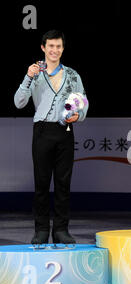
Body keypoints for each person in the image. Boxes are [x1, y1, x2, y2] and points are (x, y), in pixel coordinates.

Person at [14, 30, 88, 245]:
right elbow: (19, 102)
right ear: (43, 48)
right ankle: (41, 230)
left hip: (64, 130)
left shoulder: (73, 75)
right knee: (42, 183)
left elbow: (82, 100)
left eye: (58, 46)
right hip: (42, 131)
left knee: (64, 183)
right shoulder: (35, 73)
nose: (55, 50)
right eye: (51, 46)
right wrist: (28, 76)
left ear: (63, 49)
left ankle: (61, 230)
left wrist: (78, 114)